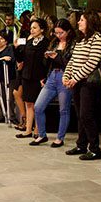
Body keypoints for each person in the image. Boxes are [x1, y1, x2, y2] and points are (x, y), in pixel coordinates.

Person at [64, 10, 101, 160]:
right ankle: (81, 145)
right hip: (77, 81)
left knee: (86, 115)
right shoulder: (81, 39)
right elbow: (73, 60)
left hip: (90, 82)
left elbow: (92, 63)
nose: (79, 22)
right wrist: (66, 76)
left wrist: (75, 78)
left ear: (90, 21)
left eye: (82, 20)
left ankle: (95, 148)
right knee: (80, 114)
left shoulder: (98, 38)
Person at [31, 19, 75, 147]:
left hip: (65, 76)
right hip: (52, 75)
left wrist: (57, 57)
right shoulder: (54, 42)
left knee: (64, 109)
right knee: (38, 106)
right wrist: (47, 58)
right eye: (56, 33)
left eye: (61, 33)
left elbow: (71, 63)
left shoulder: (73, 44)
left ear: (68, 31)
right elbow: (46, 64)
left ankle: (60, 138)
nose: (58, 35)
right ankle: (42, 135)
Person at [16, 18, 49, 138]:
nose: (32, 30)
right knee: (28, 103)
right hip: (26, 76)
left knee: (38, 105)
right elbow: (21, 58)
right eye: (31, 28)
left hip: (38, 77)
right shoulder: (29, 42)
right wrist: (17, 47)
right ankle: (28, 129)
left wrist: (44, 77)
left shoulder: (46, 42)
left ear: (42, 29)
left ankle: (37, 130)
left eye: (35, 28)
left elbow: (46, 62)